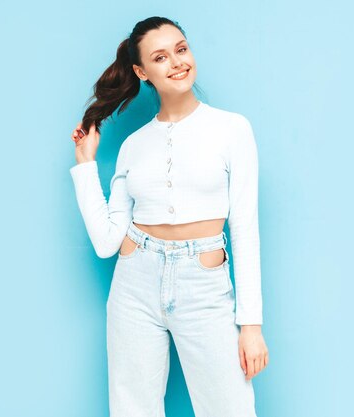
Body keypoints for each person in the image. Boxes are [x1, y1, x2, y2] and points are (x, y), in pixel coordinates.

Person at [68, 16, 268, 417]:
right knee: (132, 409)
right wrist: (85, 167)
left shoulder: (232, 129)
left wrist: (251, 326)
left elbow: (245, 227)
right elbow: (107, 243)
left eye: (181, 49)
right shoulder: (133, 145)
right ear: (142, 72)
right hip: (133, 285)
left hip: (204, 286)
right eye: (161, 57)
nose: (177, 62)